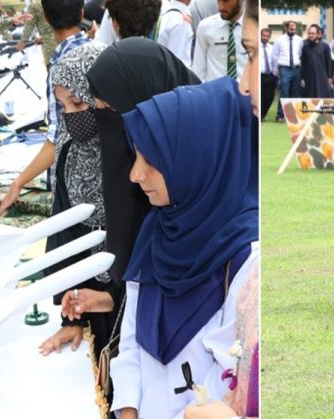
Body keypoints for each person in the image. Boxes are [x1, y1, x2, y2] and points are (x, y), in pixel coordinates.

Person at [110, 80, 259, 419]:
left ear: (194, 158)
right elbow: (131, 342)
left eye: (151, 160)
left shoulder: (246, 257)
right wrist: (128, 409)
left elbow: (232, 378)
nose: (135, 174)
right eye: (135, 156)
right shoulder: (158, 229)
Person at [60, 38, 200, 371]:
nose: (136, 174)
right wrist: (111, 298)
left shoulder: (187, 177)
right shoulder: (135, 155)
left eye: (105, 108)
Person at [35, 43, 112, 360]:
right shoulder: (68, 149)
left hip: (126, 296)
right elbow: (64, 232)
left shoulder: (128, 148)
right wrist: (71, 317)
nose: (71, 116)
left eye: (79, 102)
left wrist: (111, 296)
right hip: (86, 296)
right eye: (62, 106)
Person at [0, 0, 92, 220]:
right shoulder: (98, 50)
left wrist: (19, 182)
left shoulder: (60, 66)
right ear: (81, 13)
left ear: (46, 18)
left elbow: (56, 139)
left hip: (73, 180)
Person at [193, 0, 245, 84]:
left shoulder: (254, 27)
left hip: (246, 95)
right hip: (214, 96)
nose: (220, 7)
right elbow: (198, 69)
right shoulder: (206, 26)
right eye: (218, 0)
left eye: (226, 1)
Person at [271, 21, 303, 121]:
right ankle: (280, 115)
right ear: (286, 28)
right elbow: (274, 56)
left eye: (294, 29)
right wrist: (276, 70)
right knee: (284, 92)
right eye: (291, 29)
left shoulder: (299, 40)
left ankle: (291, 116)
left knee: (295, 93)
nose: (293, 31)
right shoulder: (279, 40)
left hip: (296, 69)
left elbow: (300, 54)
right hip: (284, 69)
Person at [298, 24, 334, 100]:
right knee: (309, 97)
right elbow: (303, 63)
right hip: (309, 78)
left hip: (322, 78)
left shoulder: (325, 46)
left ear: (318, 34)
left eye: (313, 33)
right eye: (309, 33)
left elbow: (329, 62)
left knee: (321, 97)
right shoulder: (305, 47)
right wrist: (302, 78)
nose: (310, 35)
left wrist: (330, 77)